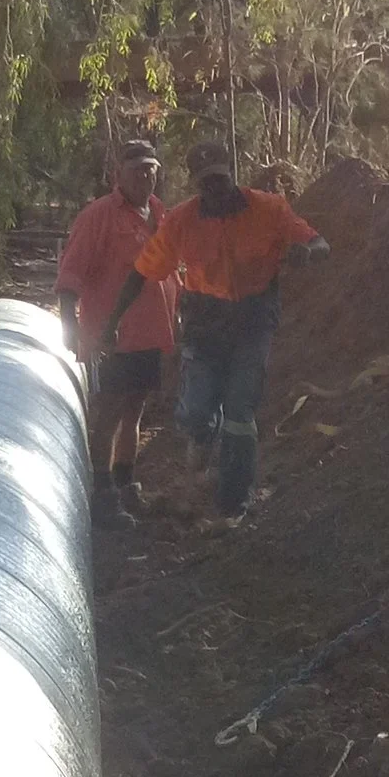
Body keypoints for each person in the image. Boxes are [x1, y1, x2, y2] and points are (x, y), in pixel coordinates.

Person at [109, 136, 327, 516]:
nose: (215, 189)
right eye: (206, 182)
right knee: (196, 409)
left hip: (253, 319)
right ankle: (201, 433)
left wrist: (307, 253)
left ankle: (234, 501)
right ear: (196, 183)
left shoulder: (269, 209)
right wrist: (112, 320)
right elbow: (143, 271)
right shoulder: (181, 221)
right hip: (205, 322)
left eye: (220, 180)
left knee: (241, 408)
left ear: (232, 175)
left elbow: (318, 241)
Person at [54, 137, 172, 516]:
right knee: (109, 411)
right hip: (112, 335)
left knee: (135, 409)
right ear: (118, 173)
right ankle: (101, 493)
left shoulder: (158, 212)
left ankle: (125, 482)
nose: (145, 176)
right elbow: (71, 271)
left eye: (151, 169)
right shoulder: (99, 216)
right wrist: (68, 325)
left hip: (150, 333)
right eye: (137, 169)